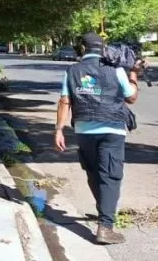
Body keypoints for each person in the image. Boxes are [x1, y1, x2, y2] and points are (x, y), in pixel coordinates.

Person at [54, 32, 143, 245]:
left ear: (82, 49)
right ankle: (105, 226)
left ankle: (104, 210)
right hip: (112, 129)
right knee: (110, 175)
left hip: (84, 130)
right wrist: (134, 73)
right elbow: (131, 97)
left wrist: (59, 130)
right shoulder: (116, 69)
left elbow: (65, 101)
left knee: (93, 172)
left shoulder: (72, 71)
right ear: (103, 49)